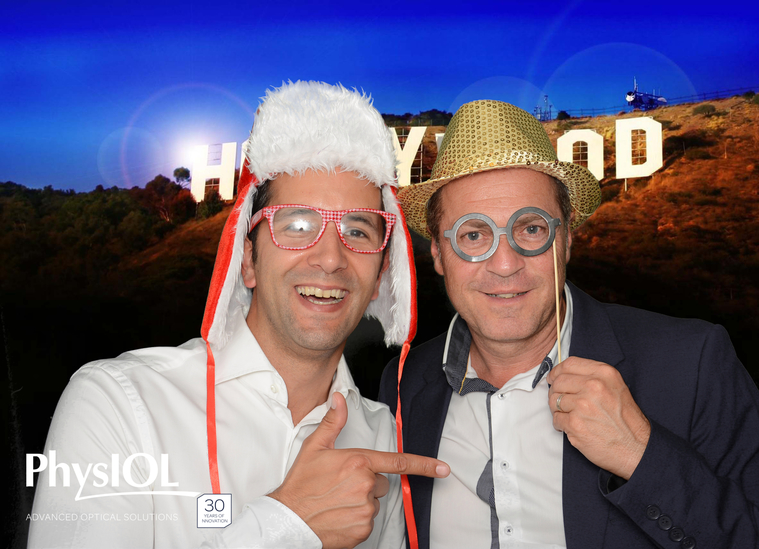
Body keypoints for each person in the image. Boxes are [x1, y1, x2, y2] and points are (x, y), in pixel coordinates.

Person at [380, 99, 759, 549]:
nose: (506, 264)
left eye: (531, 229)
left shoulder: (692, 363)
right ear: (439, 254)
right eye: (474, 235)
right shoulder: (402, 386)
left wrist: (642, 454)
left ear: (567, 238)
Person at [29, 81, 448, 549]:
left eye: (357, 230)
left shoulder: (383, 437)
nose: (331, 258)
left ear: (382, 272)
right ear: (247, 258)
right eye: (297, 225)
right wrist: (289, 523)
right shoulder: (118, 403)